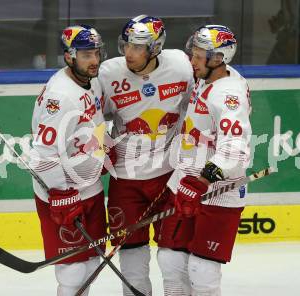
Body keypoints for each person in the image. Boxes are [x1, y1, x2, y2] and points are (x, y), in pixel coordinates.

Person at [98, 15, 194, 295]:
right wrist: (100, 147)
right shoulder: (108, 73)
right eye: (125, 45)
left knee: (173, 259)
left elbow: (198, 107)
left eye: (137, 47)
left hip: (169, 177)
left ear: (155, 48)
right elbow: (90, 117)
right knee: (132, 260)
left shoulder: (180, 65)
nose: (128, 53)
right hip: (126, 181)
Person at [157, 25, 253, 295]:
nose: (193, 61)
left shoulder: (228, 94)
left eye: (200, 56)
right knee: (170, 259)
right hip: (185, 185)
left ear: (219, 59)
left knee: (203, 269)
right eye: (194, 53)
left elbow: (235, 149)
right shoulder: (207, 79)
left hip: (218, 193)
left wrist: (202, 180)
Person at [29, 25, 108, 296]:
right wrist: (61, 193)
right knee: (72, 272)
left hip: (90, 187)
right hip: (62, 194)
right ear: (69, 56)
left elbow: (91, 123)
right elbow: (43, 154)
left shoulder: (91, 80)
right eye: (86, 55)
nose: (94, 60)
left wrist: (102, 149)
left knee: (92, 261)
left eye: (96, 53)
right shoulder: (61, 97)